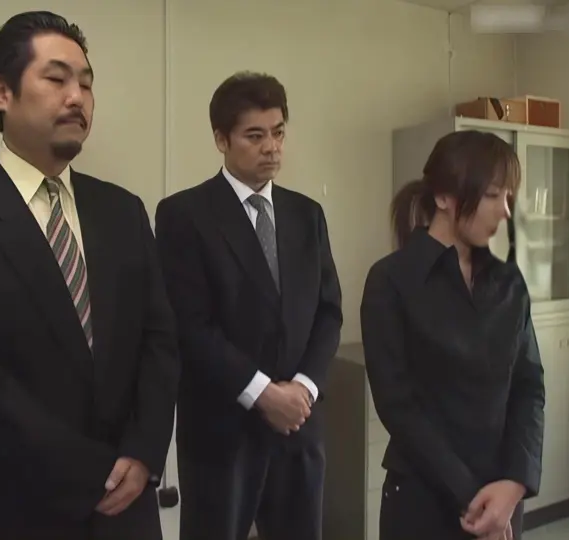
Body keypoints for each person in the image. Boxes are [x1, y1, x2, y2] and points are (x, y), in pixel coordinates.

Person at [0, 11, 179, 540]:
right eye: (56, 79)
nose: (77, 97)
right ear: (2, 92)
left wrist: (144, 453)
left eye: (86, 83)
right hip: (5, 510)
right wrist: (93, 473)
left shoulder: (123, 211)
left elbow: (159, 341)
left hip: (126, 510)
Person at [154, 71, 342, 540]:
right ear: (221, 139)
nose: (271, 148)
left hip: (298, 425)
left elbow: (328, 312)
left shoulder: (306, 215)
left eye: (278, 133)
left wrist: (303, 389)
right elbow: (190, 325)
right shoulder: (184, 215)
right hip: (223, 429)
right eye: (254, 136)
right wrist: (263, 394)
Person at [360, 130, 546, 540]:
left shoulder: (509, 282)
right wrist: (473, 497)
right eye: (493, 195)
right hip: (424, 501)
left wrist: (514, 484)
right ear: (443, 197)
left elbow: (529, 386)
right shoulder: (391, 280)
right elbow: (398, 406)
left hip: (500, 500)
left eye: (508, 197)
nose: (505, 212)